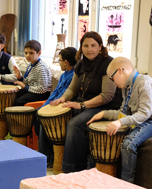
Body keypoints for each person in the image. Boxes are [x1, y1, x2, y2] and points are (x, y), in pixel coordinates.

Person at [86, 57, 152, 182]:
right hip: (139, 118)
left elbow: (144, 114)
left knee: (128, 145)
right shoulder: (127, 86)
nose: (113, 82)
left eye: (112, 78)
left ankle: (126, 184)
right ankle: (91, 176)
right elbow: (123, 112)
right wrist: (104, 114)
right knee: (100, 135)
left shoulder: (144, 83)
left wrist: (119, 122)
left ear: (120, 70)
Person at [51, 31, 123, 173]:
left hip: (103, 107)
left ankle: (73, 170)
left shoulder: (108, 64)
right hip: (84, 103)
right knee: (53, 114)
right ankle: (47, 159)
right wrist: (63, 98)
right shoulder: (80, 64)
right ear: (81, 48)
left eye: (93, 45)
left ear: (100, 47)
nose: (89, 49)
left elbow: (107, 96)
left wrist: (82, 105)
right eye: (86, 46)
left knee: (74, 124)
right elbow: (72, 89)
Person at [37, 47, 77, 167]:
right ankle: (43, 154)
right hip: (55, 104)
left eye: (60, 60)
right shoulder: (64, 74)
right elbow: (55, 93)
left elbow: (64, 95)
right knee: (37, 115)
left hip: (63, 108)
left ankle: (48, 157)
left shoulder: (73, 75)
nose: (59, 63)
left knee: (43, 120)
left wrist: (47, 108)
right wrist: (44, 106)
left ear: (66, 62)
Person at [13, 40, 52, 106]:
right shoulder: (31, 64)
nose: (28, 55)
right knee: (13, 94)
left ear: (39, 53)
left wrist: (25, 87)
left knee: (19, 101)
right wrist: (20, 78)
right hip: (33, 90)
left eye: (31, 53)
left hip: (41, 94)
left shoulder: (41, 67)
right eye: (26, 53)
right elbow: (29, 82)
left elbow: (43, 89)